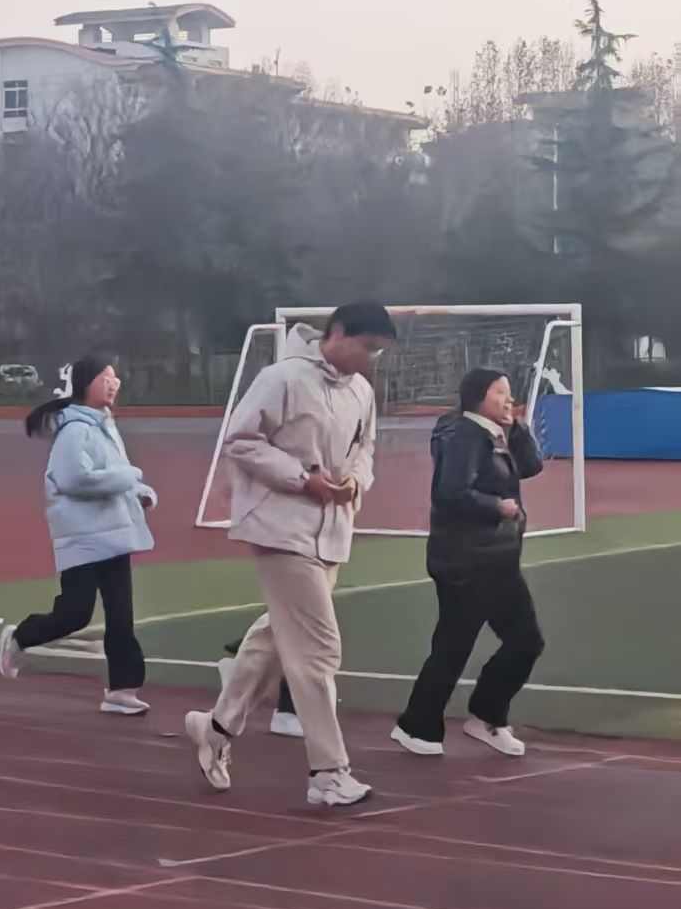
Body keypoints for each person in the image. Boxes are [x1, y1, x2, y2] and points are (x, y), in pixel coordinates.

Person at [184, 302, 394, 809]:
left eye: (378, 352)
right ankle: (328, 771)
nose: (370, 359)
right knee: (318, 648)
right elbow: (240, 439)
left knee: (278, 637)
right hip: (281, 527)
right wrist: (302, 480)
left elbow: (365, 449)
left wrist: (355, 483)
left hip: (331, 529)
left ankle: (216, 728)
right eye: (366, 346)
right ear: (336, 332)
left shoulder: (362, 392)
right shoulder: (282, 378)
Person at [393, 368, 545, 758]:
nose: (508, 399)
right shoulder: (462, 435)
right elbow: (451, 493)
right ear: (478, 396)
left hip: (499, 559)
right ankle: (416, 726)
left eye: (509, 392)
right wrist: (497, 507)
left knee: (525, 641)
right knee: (454, 646)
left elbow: (532, 466)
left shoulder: (496, 433)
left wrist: (518, 427)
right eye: (500, 392)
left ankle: (486, 716)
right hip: (466, 560)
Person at [0, 357, 157, 714]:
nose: (113, 385)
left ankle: (122, 689)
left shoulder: (104, 426)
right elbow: (73, 480)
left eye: (116, 379)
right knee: (75, 614)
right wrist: (130, 477)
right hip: (83, 537)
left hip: (114, 532)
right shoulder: (74, 430)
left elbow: (115, 473)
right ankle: (19, 636)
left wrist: (142, 491)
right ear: (86, 383)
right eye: (105, 378)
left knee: (121, 615)